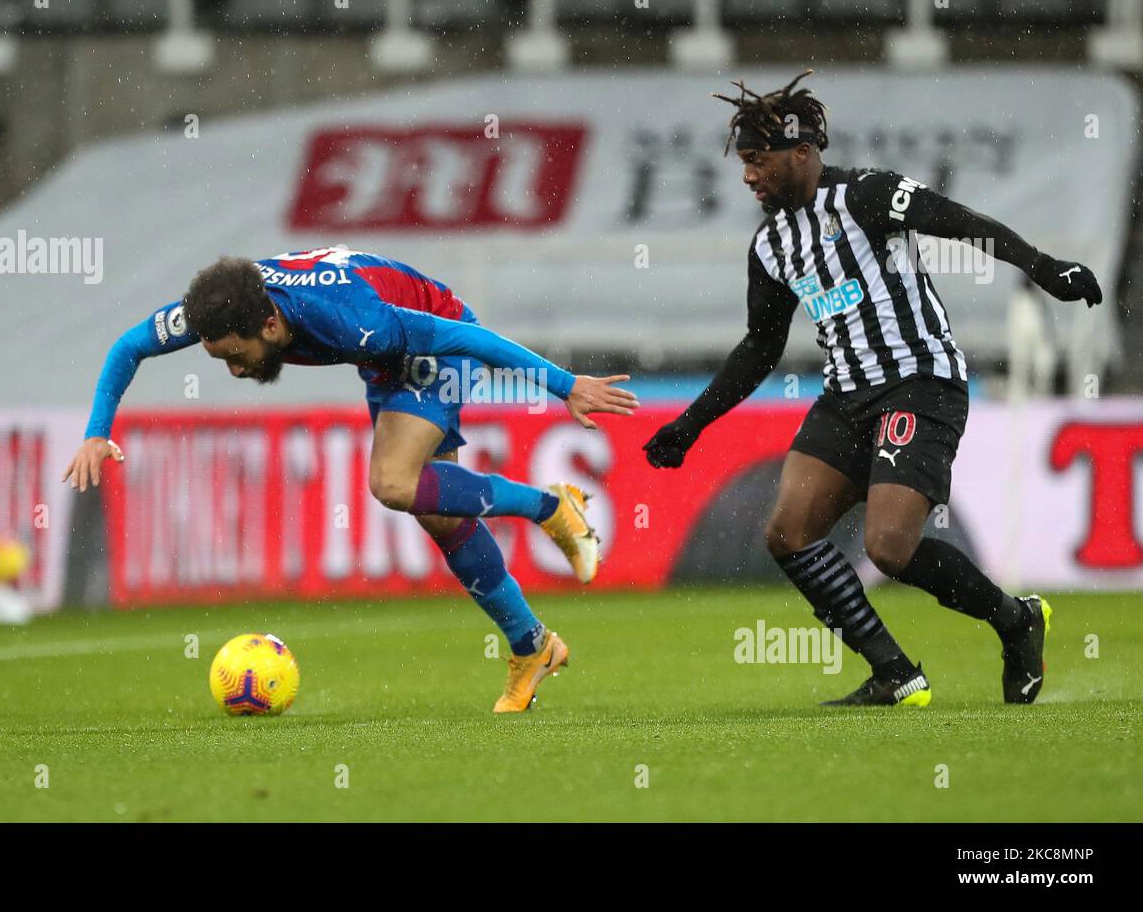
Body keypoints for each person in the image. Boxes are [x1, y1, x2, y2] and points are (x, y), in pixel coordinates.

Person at [643, 72, 1101, 706]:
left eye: (758, 160)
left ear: (801, 152)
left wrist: (1044, 268)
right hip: (845, 396)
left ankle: (1015, 620)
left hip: (920, 382)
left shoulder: (869, 195)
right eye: (744, 162)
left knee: (888, 548)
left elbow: (961, 223)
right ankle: (895, 671)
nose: (747, 175)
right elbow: (760, 348)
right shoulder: (772, 245)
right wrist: (691, 424)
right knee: (788, 534)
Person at [63, 247, 638, 712]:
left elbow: (469, 340)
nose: (235, 370)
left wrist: (565, 385)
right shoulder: (222, 305)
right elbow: (129, 346)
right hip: (386, 365)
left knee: (392, 483)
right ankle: (531, 646)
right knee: (439, 514)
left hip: (439, 334)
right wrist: (96, 431)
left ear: (269, 322)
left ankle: (550, 505)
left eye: (237, 356)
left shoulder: (355, 321)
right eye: (221, 361)